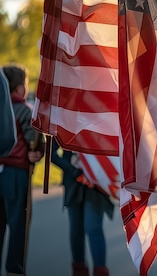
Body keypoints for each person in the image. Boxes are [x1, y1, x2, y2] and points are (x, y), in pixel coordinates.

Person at [0, 63, 43, 276]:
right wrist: (39, 150)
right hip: (16, 174)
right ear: (19, 89)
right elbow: (33, 139)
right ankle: (14, 270)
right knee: (18, 225)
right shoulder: (24, 110)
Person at [51, 142, 114, 276]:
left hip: (97, 182)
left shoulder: (103, 120)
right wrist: (75, 172)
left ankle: (100, 271)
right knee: (76, 229)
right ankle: (79, 271)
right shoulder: (64, 119)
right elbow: (53, 154)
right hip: (73, 181)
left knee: (93, 227)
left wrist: (95, 173)